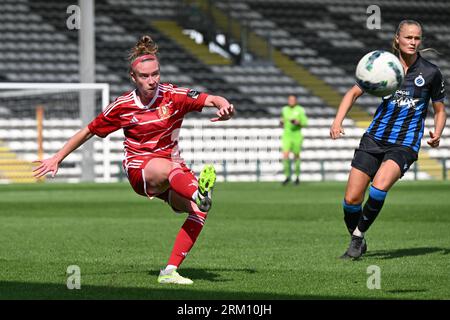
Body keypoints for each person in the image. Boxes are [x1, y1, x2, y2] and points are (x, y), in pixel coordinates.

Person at [33, 35, 235, 284]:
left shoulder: (173, 95)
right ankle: (198, 192)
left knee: (199, 212)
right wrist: (57, 157)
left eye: (155, 74)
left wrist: (224, 107)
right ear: (133, 78)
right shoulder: (122, 106)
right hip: (140, 169)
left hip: (172, 171)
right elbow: (88, 130)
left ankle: (169, 271)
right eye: (145, 76)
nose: (152, 81)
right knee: (173, 171)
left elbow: (211, 99)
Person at [330, 20, 446, 259]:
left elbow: (440, 110)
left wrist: (438, 132)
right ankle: (357, 237)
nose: (413, 42)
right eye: (408, 38)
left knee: (379, 187)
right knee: (351, 200)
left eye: (417, 38)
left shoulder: (431, 72)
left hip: (404, 144)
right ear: (397, 39)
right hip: (374, 138)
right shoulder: (382, 65)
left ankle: (357, 238)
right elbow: (353, 92)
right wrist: (337, 121)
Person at [280, 94, 308, 185]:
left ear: (296, 101)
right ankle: (287, 176)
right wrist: (281, 122)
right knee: (285, 155)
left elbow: (305, 122)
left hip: (297, 136)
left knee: (296, 156)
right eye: (290, 99)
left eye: (293, 99)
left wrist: (298, 122)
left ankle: (297, 176)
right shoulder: (284, 109)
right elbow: (282, 121)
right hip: (286, 135)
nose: (291, 101)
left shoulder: (300, 110)